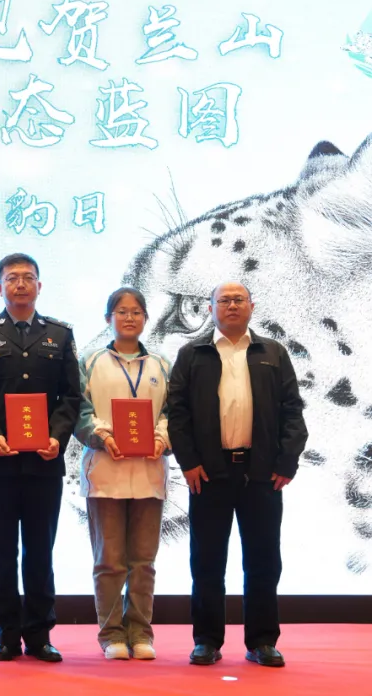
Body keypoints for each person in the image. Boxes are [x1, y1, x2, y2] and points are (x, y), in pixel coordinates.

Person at [167, 282, 307, 668]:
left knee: (263, 560)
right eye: (224, 300)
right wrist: (188, 462)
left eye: (238, 300)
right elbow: (177, 413)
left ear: (251, 306)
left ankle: (262, 641)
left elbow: (293, 410)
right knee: (207, 560)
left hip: (261, 474)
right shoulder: (192, 354)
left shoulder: (272, 353)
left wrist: (287, 462)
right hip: (208, 473)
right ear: (210, 308)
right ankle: (206, 640)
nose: (231, 305)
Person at [0, 253, 80, 663]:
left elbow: (71, 396)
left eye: (28, 277)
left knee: (40, 551)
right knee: (0, 551)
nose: (21, 284)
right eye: (12, 278)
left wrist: (57, 437)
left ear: (39, 286)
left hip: (45, 461)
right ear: (0, 287)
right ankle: (8, 634)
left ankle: (40, 634)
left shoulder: (60, 334)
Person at [74, 287, 171, 660]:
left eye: (136, 312)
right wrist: (101, 435)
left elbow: (173, 412)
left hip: (149, 474)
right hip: (105, 474)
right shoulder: (90, 361)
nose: (129, 318)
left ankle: (141, 632)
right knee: (110, 561)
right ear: (108, 319)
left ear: (145, 318)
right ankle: (111, 634)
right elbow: (79, 410)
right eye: (121, 311)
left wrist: (162, 438)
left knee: (143, 562)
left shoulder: (161, 364)